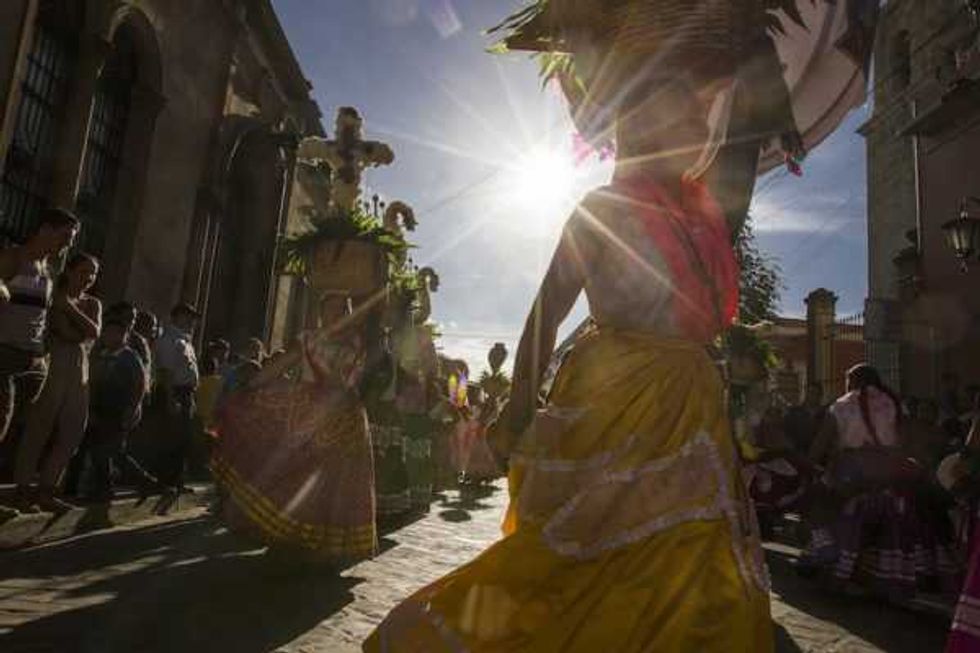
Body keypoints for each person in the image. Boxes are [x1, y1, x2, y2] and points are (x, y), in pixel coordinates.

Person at [212, 294, 376, 561]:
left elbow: (348, 380)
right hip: (309, 412)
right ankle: (290, 534)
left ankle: (324, 542)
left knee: (337, 480)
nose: (337, 315)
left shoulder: (357, 344)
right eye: (331, 310)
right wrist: (249, 388)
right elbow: (280, 364)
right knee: (298, 471)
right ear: (321, 313)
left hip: (345, 417)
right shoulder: (308, 338)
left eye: (342, 310)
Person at [805, 364, 958, 597]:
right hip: (890, 476)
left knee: (815, 501)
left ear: (852, 382)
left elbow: (817, 450)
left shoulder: (841, 406)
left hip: (852, 476)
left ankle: (828, 556)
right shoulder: (894, 403)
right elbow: (907, 443)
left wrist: (813, 467)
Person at [0, 208, 78, 517]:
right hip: (4, 352)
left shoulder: (48, 270)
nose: (66, 245)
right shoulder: (13, 258)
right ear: (45, 229)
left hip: (32, 361)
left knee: (11, 433)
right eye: (64, 237)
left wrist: (43, 351)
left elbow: (43, 315)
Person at [13, 253, 101, 513]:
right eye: (84, 271)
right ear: (71, 271)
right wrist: (72, 319)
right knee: (39, 427)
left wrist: (69, 308)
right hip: (53, 361)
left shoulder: (90, 303)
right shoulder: (54, 296)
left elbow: (93, 331)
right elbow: (64, 332)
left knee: (73, 430)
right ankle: (22, 488)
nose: (88, 278)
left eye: (93, 273)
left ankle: (47, 488)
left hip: (80, 368)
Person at [82, 304, 158, 501]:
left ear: (124, 336)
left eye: (116, 333)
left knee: (113, 450)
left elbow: (140, 383)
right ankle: (104, 486)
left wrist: (132, 408)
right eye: (107, 333)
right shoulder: (100, 355)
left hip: (120, 409)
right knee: (101, 449)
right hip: (101, 408)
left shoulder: (129, 357)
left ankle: (143, 480)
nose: (109, 337)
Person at [153, 303, 201, 492]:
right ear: (176, 317)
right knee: (170, 438)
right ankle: (165, 480)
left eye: (192, 317)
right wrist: (170, 397)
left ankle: (177, 479)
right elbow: (166, 371)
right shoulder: (169, 339)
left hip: (186, 393)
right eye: (186, 316)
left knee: (183, 438)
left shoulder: (185, 341)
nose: (191, 321)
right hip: (174, 391)